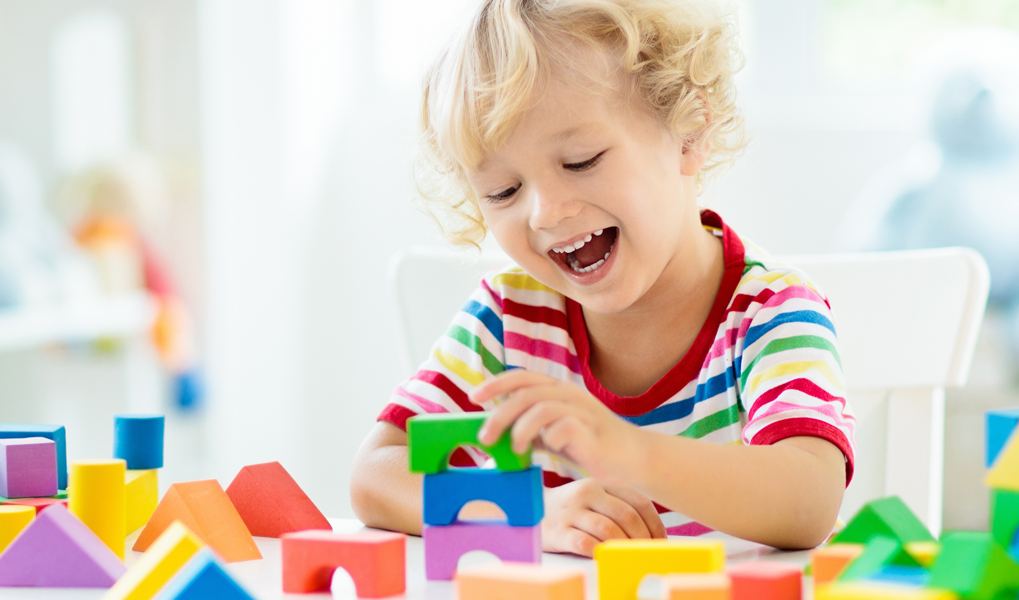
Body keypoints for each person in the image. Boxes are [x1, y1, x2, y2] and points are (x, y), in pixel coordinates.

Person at [350, 0, 855, 556]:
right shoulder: (508, 318)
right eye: (504, 191)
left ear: (689, 133)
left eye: (581, 159)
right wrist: (527, 516)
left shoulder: (770, 311)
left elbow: (811, 500)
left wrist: (630, 451)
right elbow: (376, 474)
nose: (544, 211)